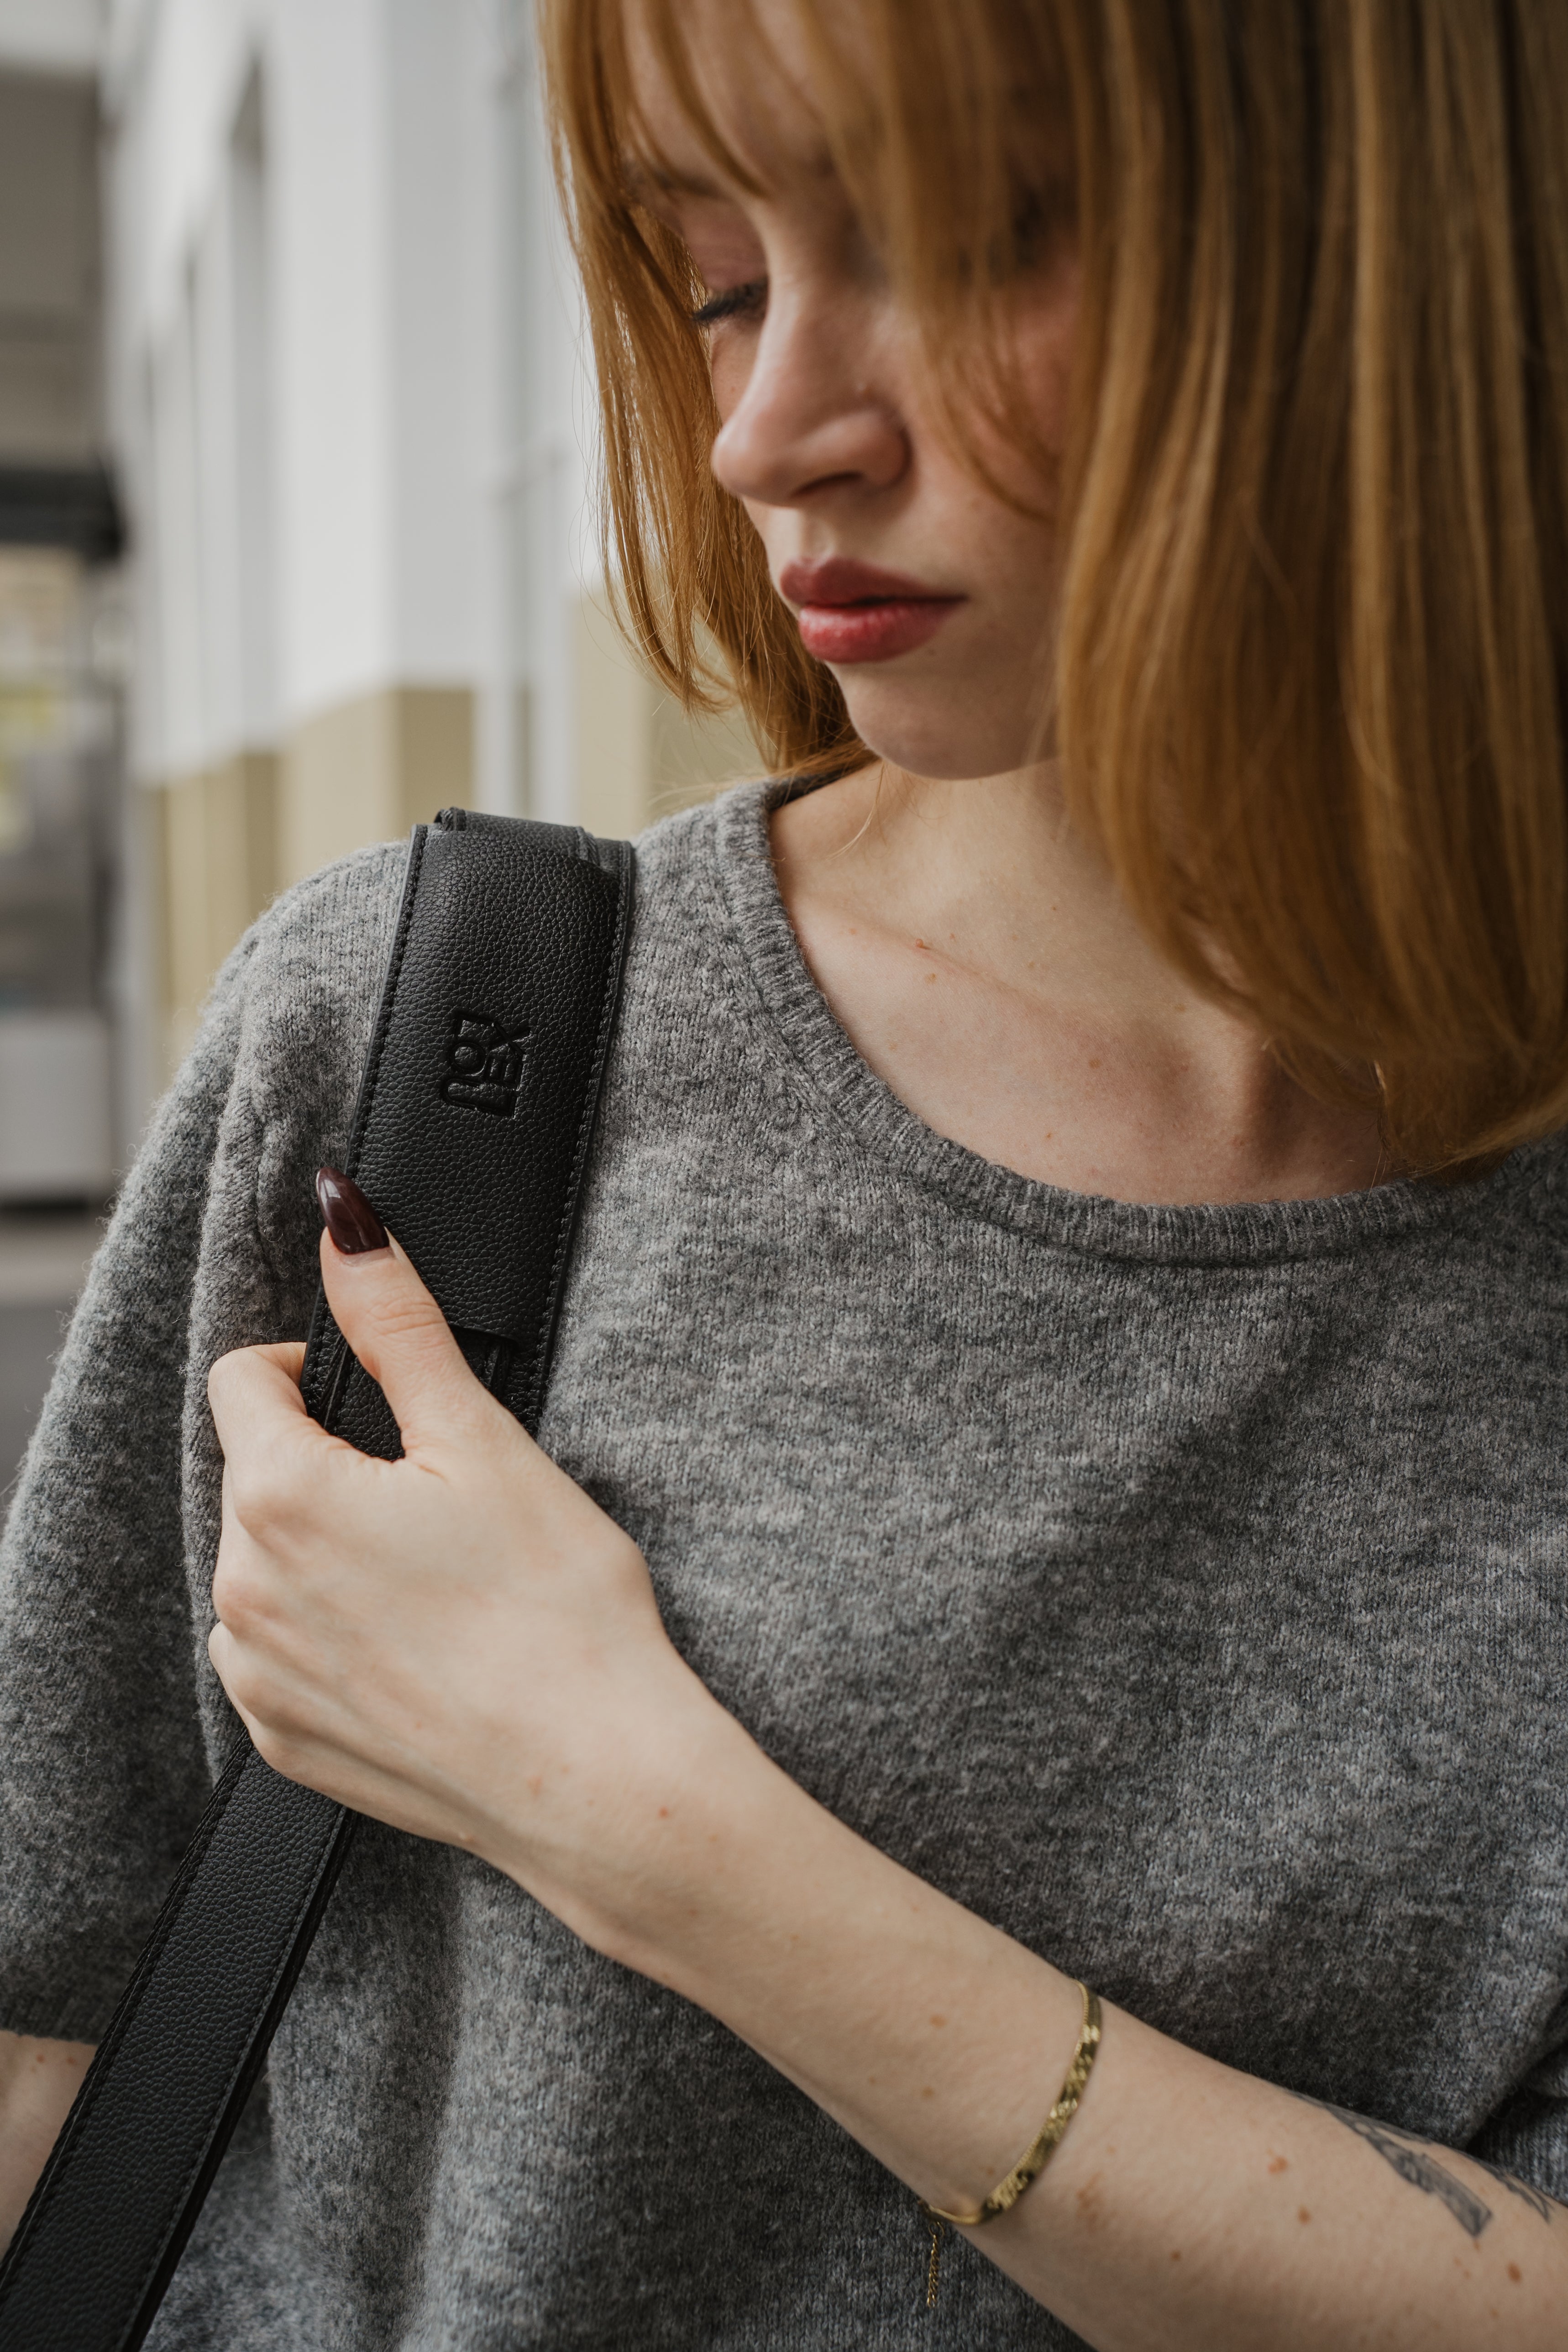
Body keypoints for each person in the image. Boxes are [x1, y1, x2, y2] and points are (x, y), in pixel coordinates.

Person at [4, 1, 1568, 2343]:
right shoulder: (436, 1043)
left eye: (975, 239)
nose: (765, 427)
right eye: (716, 278)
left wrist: (637, 1808)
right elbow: (46, 2016)